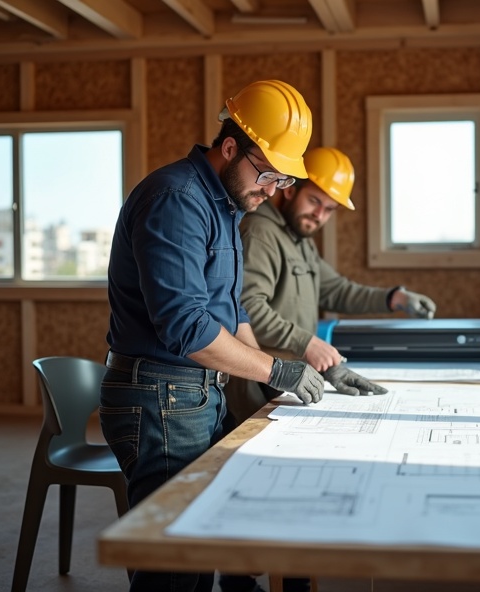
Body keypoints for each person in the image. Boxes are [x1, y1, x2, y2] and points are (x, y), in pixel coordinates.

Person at [99, 79, 326, 592]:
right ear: (229, 148)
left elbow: (232, 311)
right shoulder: (176, 199)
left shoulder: (225, 204)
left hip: (195, 393)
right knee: (177, 567)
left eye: (281, 180)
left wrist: (273, 378)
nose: (271, 191)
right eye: (267, 174)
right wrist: (277, 368)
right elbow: (186, 326)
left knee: (209, 541)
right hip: (160, 396)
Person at [224, 145, 438, 430]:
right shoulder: (261, 233)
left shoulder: (298, 239)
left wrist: (393, 298)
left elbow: (336, 290)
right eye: (314, 201)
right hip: (260, 387)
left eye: (329, 209)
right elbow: (247, 309)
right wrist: (307, 343)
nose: (319, 215)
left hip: (288, 383)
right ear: (290, 189)